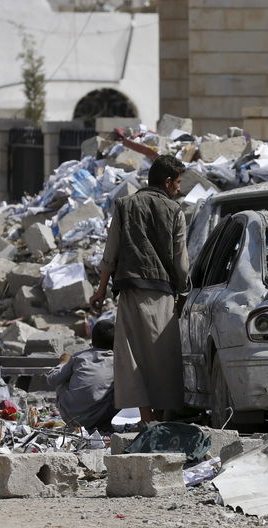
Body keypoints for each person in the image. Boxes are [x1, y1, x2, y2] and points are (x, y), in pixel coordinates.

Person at [89, 154, 190, 424]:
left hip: (131, 291)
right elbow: (181, 260)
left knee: (133, 358)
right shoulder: (175, 211)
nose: (179, 188)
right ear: (167, 182)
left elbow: (110, 252)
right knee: (162, 358)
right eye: (178, 182)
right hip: (163, 295)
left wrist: (100, 290)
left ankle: (147, 420)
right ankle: (158, 417)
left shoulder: (124, 205)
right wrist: (184, 292)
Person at [46, 320, 117, 431]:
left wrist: (63, 362)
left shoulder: (79, 357)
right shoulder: (119, 361)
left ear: (93, 341)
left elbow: (52, 379)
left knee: (63, 378)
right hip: (101, 418)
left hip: (72, 418)